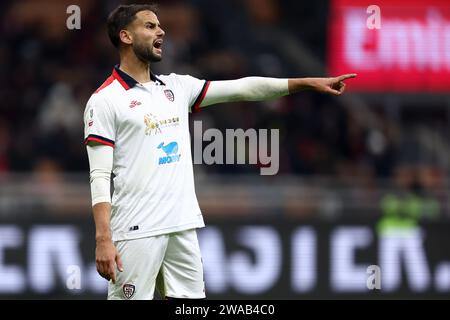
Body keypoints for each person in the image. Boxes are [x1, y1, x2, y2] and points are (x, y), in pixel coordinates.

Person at [84, 3, 356, 300]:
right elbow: (99, 176)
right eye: (150, 26)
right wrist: (103, 239)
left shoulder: (176, 87)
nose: (161, 30)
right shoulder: (106, 100)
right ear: (125, 36)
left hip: (182, 225)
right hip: (137, 230)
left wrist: (305, 83)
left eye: (159, 25)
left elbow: (243, 88)